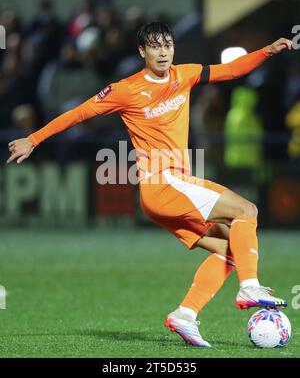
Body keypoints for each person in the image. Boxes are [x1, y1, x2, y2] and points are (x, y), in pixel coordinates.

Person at [6, 22, 292, 348]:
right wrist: (33, 138)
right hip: (163, 182)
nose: (163, 51)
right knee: (247, 209)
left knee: (230, 250)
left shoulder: (183, 74)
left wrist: (266, 51)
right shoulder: (126, 89)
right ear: (143, 52)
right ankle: (250, 285)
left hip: (165, 191)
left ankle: (185, 314)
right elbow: (79, 113)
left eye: (167, 45)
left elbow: (228, 71)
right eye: (155, 46)